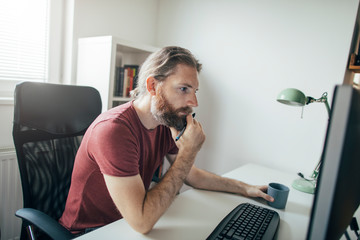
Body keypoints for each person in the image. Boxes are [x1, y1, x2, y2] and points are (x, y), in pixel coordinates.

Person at [59, 46, 274, 235]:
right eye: (184, 89)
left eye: (194, 91)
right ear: (153, 86)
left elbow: (193, 176)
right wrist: (188, 152)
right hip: (89, 232)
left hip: (125, 224)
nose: (194, 102)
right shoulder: (113, 130)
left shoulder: (164, 121)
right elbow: (142, 222)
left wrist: (244, 188)